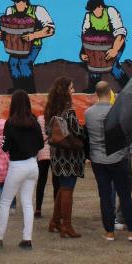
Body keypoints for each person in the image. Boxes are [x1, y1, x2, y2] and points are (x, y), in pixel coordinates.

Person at [85, 81, 132, 242]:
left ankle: (109, 232)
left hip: (98, 159)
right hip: (117, 158)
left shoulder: (88, 113)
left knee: (105, 195)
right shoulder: (118, 112)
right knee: (124, 194)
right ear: (110, 93)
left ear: (96, 93)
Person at [0, 90, 44, 249]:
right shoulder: (34, 121)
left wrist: (1, 143)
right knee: (28, 202)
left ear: (13, 104)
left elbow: (5, 147)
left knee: (5, 202)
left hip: (17, 166)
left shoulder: (10, 123)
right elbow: (41, 145)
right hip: (32, 166)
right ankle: (27, 240)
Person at [44, 76, 87, 239]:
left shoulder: (51, 110)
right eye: (71, 88)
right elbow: (78, 131)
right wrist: (84, 129)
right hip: (69, 156)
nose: (73, 91)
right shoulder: (69, 111)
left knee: (63, 188)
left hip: (57, 154)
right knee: (68, 189)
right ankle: (66, 226)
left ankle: (55, 221)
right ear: (65, 91)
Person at [0, 0, 55, 93]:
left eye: (20, 2)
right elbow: (6, 27)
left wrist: (33, 35)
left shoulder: (38, 10)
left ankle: (29, 90)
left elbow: (50, 29)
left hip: (33, 46)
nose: (17, 5)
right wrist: (1, 34)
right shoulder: (10, 10)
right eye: (16, 2)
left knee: (24, 63)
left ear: (26, 2)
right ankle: (19, 89)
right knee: (13, 63)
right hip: (15, 46)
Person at [80, 0, 129, 92]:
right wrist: (83, 53)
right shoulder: (88, 16)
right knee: (94, 66)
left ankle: (127, 88)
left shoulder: (111, 11)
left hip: (115, 44)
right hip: (96, 47)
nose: (94, 12)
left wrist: (115, 50)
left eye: (95, 9)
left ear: (101, 7)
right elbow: (86, 37)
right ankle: (93, 90)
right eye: (92, 10)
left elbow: (120, 33)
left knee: (114, 66)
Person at [35, 115, 59, 218]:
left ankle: (38, 209)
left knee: (41, 181)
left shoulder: (40, 119)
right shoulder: (58, 119)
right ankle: (57, 210)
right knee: (56, 182)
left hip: (42, 152)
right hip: (55, 152)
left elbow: (38, 135)